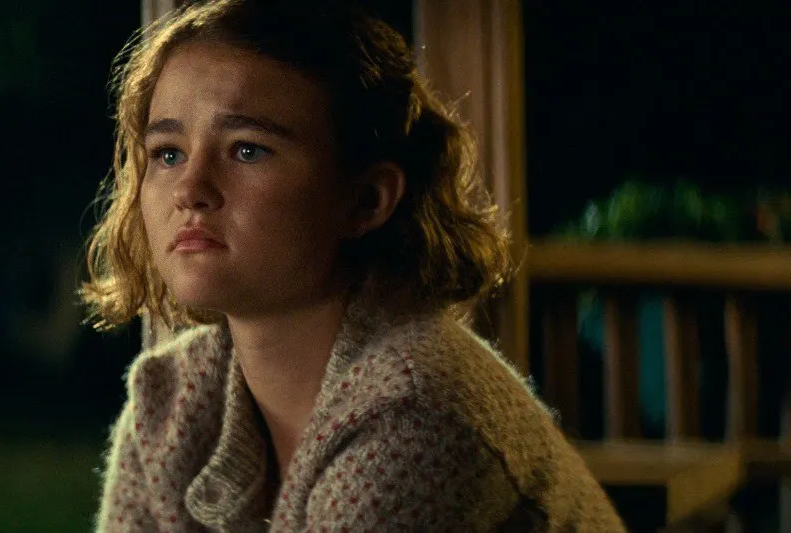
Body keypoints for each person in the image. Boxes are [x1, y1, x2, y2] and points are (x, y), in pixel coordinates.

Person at [80, 0, 624, 530]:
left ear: (366, 200)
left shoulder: (415, 412)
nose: (189, 190)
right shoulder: (169, 402)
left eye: (247, 150)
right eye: (168, 153)